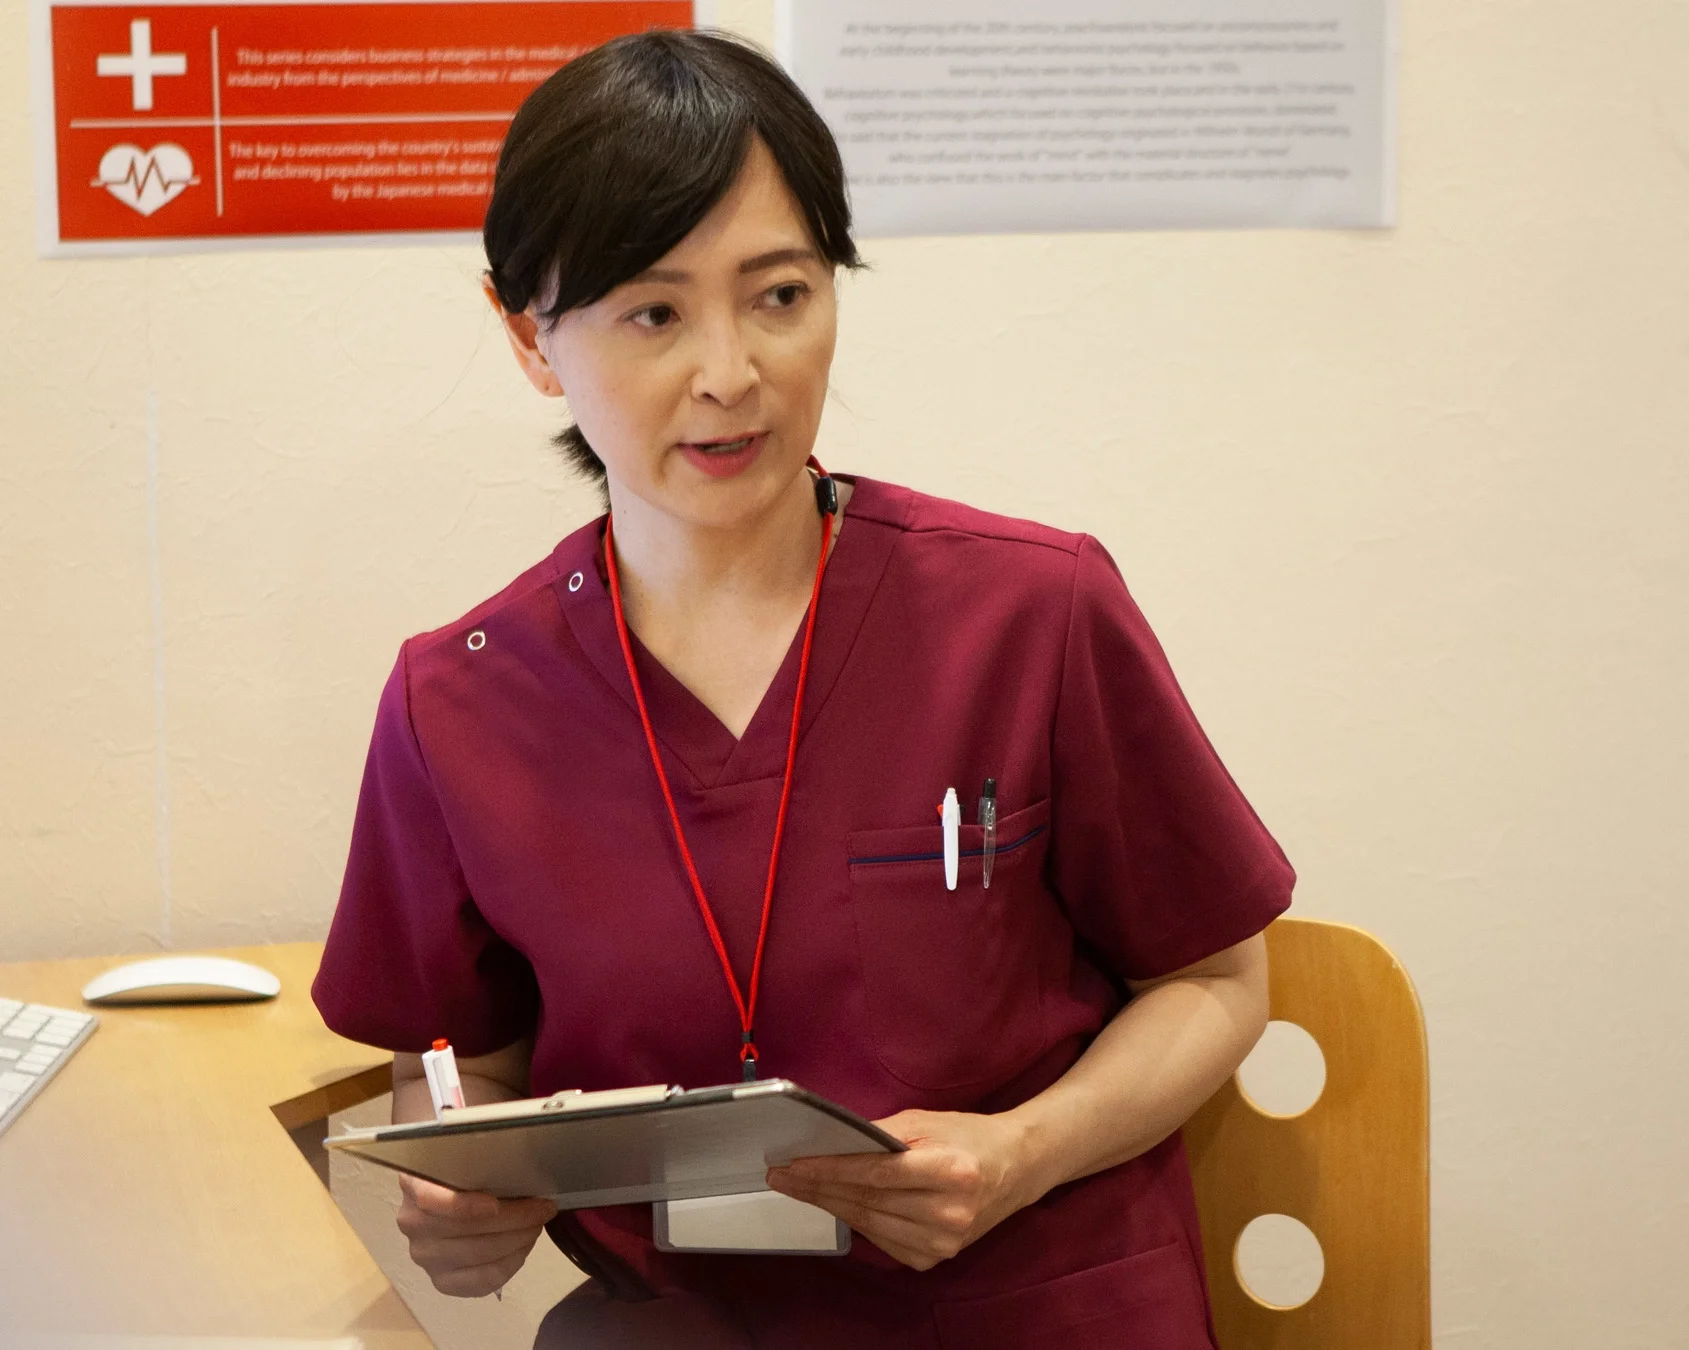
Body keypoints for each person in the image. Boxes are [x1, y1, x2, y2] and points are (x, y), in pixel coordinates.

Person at [311, 29, 1293, 1347]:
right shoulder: (459, 700)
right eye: (654, 312)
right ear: (529, 335)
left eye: (779, 293)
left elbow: (1221, 981)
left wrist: (1024, 1150)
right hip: (685, 1327)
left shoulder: (1030, 612)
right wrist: (453, 1189)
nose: (732, 372)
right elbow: (452, 1067)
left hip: (1026, 1307)